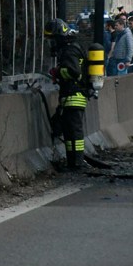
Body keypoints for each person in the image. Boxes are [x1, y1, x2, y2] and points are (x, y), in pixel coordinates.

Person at [44, 18, 88, 170]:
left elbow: (73, 72)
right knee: (69, 132)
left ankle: (76, 163)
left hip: (73, 96)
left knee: (74, 132)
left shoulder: (69, 50)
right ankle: (73, 162)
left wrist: (57, 72)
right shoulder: (74, 47)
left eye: (53, 39)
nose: (52, 43)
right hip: (72, 96)